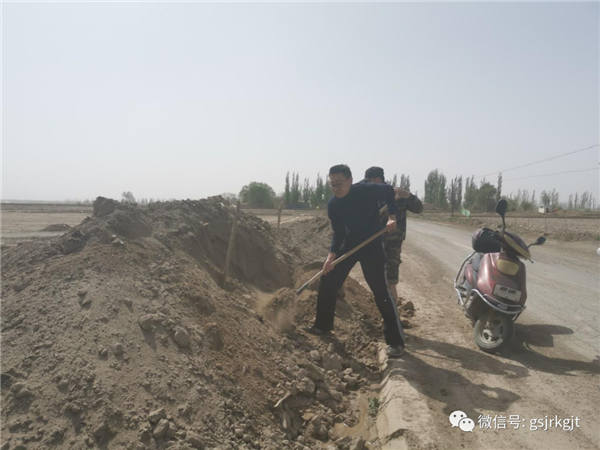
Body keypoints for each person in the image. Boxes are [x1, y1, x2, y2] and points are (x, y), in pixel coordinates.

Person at [309, 164, 405, 357]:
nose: (336, 188)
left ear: (350, 180)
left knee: (380, 291)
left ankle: (395, 342)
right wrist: (331, 256)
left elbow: (389, 191)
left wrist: (391, 217)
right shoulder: (333, 205)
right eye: (332, 184)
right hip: (350, 245)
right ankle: (323, 326)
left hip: (372, 245)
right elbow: (338, 233)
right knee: (328, 280)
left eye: (339, 183)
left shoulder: (366, 190)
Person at [364, 167, 423, 302]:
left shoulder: (397, 195)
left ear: (378, 179)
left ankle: (392, 307)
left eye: (371, 181)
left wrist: (409, 196)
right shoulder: (367, 196)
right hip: (373, 241)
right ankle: (379, 303)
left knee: (391, 277)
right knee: (375, 274)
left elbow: (419, 208)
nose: (369, 184)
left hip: (393, 243)